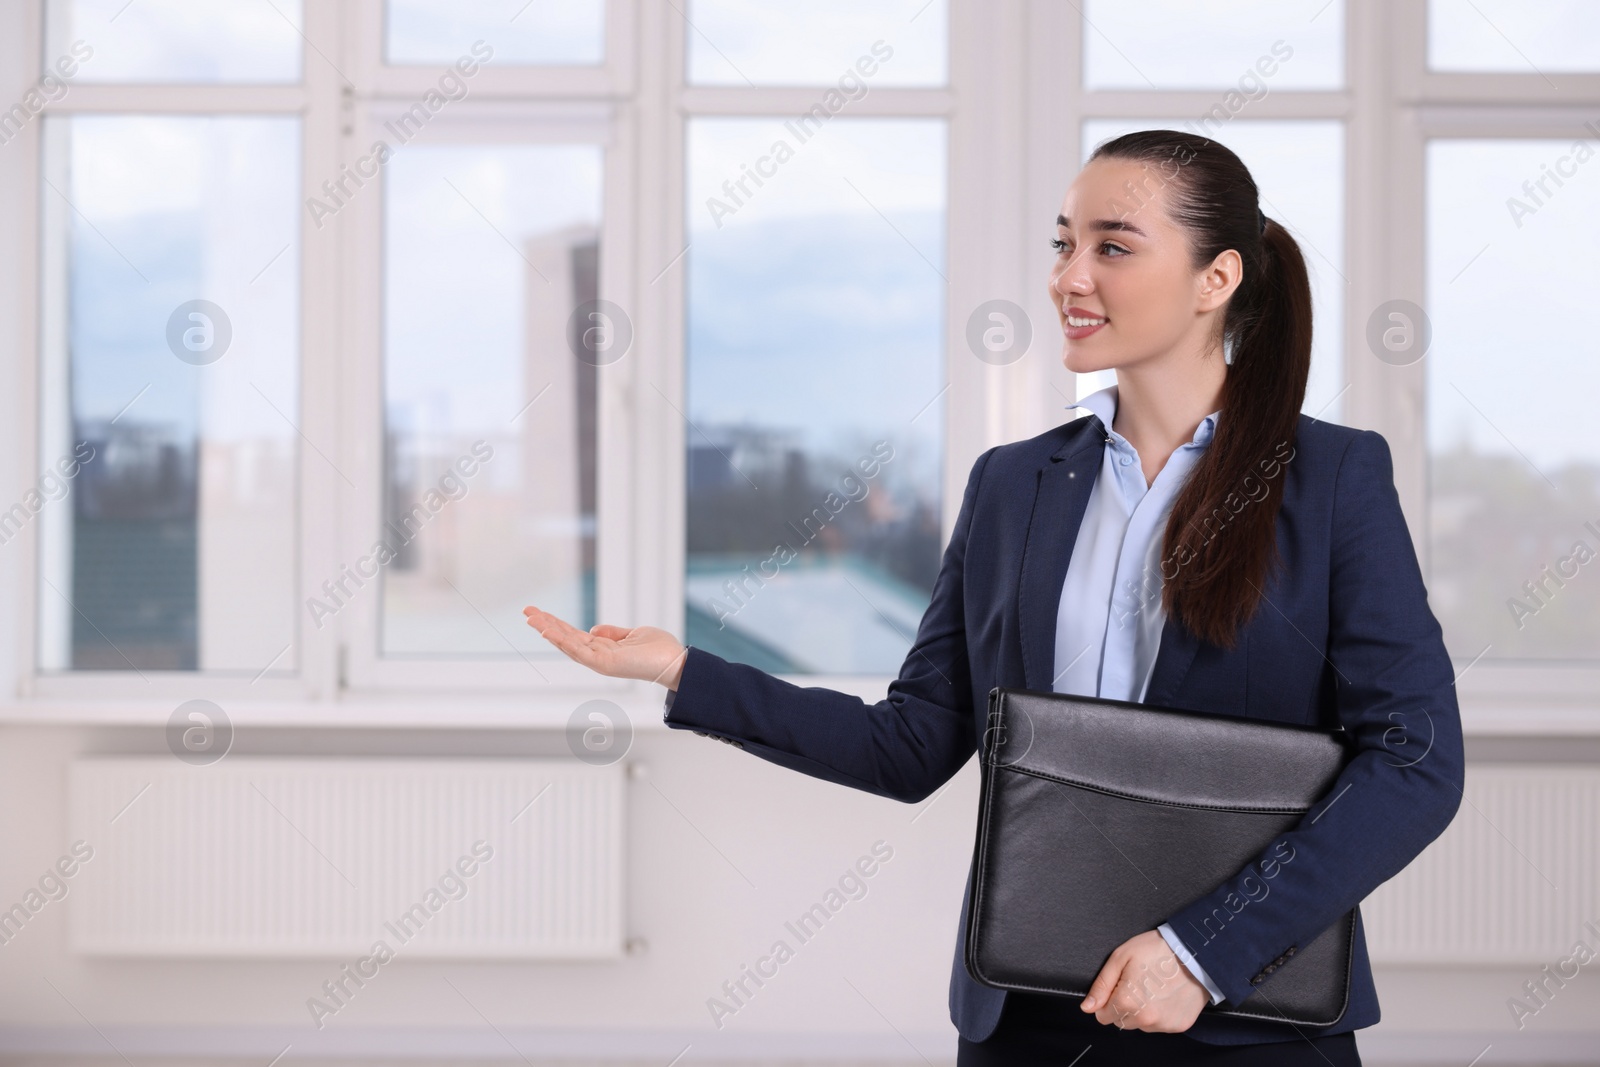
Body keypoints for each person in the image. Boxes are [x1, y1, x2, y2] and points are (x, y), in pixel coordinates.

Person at [524, 129, 1463, 1065]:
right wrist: (685, 669)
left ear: (1216, 278)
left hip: (1243, 1014)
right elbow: (912, 741)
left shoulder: (1332, 479)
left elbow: (1415, 760)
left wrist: (1198, 955)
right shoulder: (1014, 484)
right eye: (1064, 244)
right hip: (1027, 1020)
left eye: (1114, 246)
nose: (1070, 278)